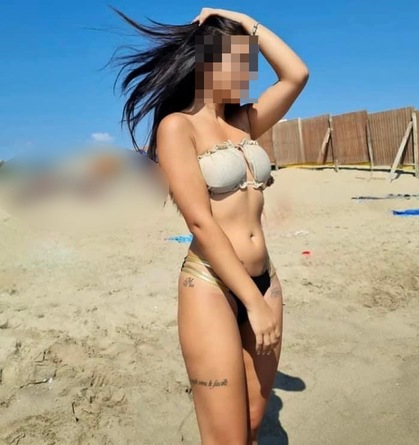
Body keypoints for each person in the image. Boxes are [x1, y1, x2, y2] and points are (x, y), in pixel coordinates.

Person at [115, 7, 309, 444]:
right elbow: (201, 223)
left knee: (253, 425)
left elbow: (296, 74)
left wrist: (238, 18)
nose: (248, 74)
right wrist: (252, 303)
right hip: (212, 286)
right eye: (238, 62)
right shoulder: (177, 127)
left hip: (265, 280)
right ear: (206, 62)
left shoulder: (245, 122)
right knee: (226, 439)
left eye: (249, 62)